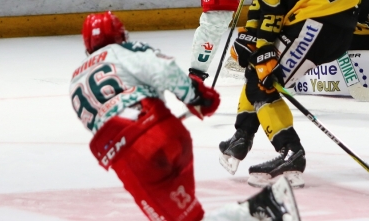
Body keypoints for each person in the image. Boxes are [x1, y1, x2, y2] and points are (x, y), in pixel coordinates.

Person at [70, 12, 302, 221]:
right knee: (189, 218)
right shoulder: (125, 50)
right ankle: (260, 208)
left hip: (129, 157)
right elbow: (162, 69)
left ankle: (264, 206)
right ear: (121, 34)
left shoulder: (75, 81)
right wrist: (197, 97)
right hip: (167, 134)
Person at [218, 0, 362, 188]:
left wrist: (262, 44)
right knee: (258, 74)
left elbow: (272, 3)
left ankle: (290, 154)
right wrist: (252, 36)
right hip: (337, 12)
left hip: (320, 19)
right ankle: (242, 135)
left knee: (263, 82)